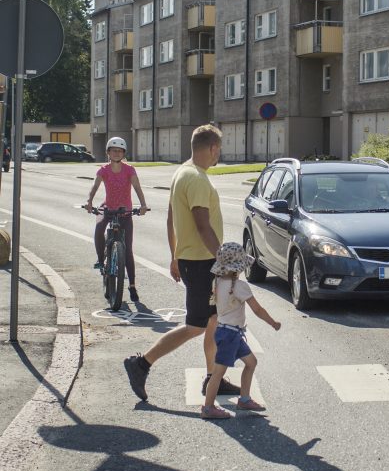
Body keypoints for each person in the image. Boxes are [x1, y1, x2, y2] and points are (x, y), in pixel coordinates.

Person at [123, 124, 238, 401]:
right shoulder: (196, 178)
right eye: (219, 149)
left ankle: (213, 378)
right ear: (212, 148)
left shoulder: (181, 173)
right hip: (201, 263)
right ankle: (141, 364)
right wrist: (225, 262)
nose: (219, 155)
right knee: (196, 325)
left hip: (193, 260)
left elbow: (171, 219)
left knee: (213, 320)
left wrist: (174, 256)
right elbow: (202, 225)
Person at [202, 242, 281, 420]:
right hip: (230, 335)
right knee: (218, 373)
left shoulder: (218, 282)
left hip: (227, 332)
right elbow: (257, 309)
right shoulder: (239, 286)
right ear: (239, 267)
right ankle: (208, 408)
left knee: (251, 362)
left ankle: (244, 400)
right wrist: (273, 323)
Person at [86, 136, 148, 303]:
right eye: (113, 150)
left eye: (120, 151)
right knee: (99, 228)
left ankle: (132, 285)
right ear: (108, 152)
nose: (116, 153)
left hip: (125, 212)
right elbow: (95, 186)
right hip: (108, 208)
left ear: (123, 153)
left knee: (127, 250)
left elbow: (137, 187)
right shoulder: (103, 170)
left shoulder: (129, 170)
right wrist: (89, 201)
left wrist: (143, 205)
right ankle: (101, 261)